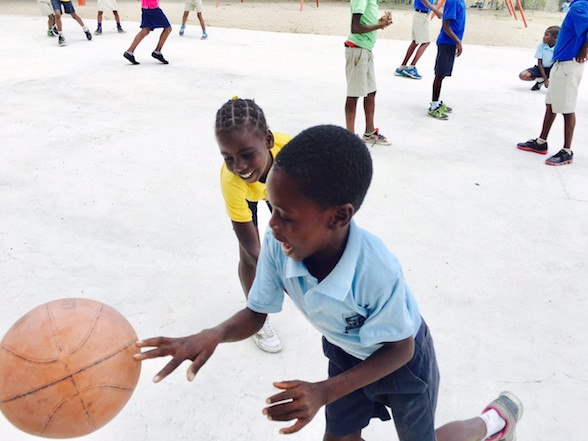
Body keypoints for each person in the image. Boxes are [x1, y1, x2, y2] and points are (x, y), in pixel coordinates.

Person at [135, 124, 524, 441]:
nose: (271, 224)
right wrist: (213, 334)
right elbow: (256, 312)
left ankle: (492, 422)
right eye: (272, 208)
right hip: (345, 353)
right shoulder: (278, 244)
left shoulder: (375, 269)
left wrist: (323, 391)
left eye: (285, 215)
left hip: (403, 363)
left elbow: (400, 349)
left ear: (338, 217)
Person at [213, 97, 289, 353]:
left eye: (247, 155)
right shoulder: (232, 182)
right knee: (249, 258)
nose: (240, 167)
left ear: (268, 141)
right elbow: (253, 249)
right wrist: (282, 278)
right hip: (250, 197)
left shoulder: (292, 151)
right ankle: (257, 315)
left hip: (280, 186)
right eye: (228, 158)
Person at [516, 0, 587, 166]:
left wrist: (585, 48)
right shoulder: (578, 5)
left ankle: (567, 151)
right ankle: (541, 142)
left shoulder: (580, 6)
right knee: (551, 104)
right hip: (560, 63)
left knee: (567, 108)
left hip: (569, 64)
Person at [344, 0, 392, 147]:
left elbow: (365, 24)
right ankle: (349, 137)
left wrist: (380, 22)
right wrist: (380, 25)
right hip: (357, 50)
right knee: (353, 95)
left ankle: (370, 132)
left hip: (366, 49)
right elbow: (355, 27)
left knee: (371, 92)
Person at [427, 0, 466, 120]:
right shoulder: (453, 1)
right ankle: (434, 106)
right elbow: (445, 25)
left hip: (451, 43)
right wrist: (458, 41)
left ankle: (437, 102)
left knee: (442, 74)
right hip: (446, 42)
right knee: (439, 74)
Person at [395, 0, 442, 80]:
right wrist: (435, 10)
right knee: (426, 42)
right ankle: (411, 67)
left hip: (421, 14)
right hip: (421, 15)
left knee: (415, 42)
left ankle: (402, 67)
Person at [123, 0, 172, 65]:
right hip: (152, 7)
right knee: (168, 29)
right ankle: (157, 51)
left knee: (145, 30)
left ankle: (130, 51)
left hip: (146, 7)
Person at [518, 26, 559, 91]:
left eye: (546, 35)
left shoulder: (558, 48)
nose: (543, 37)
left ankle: (552, 84)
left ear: (555, 38)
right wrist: (545, 79)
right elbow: (539, 63)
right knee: (523, 75)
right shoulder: (541, 46)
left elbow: (557, 63)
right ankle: (540, 80)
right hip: (541, 68)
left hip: (553, 70)